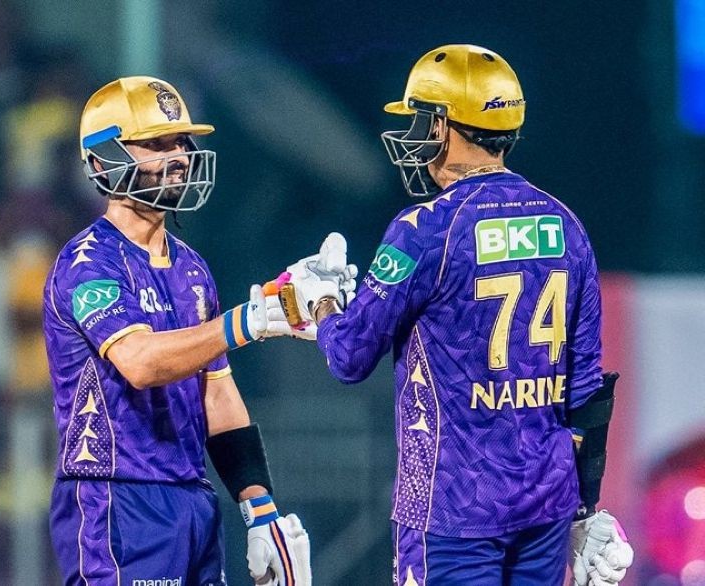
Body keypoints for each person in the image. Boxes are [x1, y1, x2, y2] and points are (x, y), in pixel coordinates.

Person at [280, 45, 634, 585]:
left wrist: (322, 302)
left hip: (451, 510)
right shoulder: (566, 224)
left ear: (443, 125)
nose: (414, 133)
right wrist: (585, 508)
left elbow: (349, 355)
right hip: (547, 508)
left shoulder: (425, 229)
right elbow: (586, 390)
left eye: (421, 118)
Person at [43, 76, 313, 586]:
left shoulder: (192, 267)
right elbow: (141, 363)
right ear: (103, 160)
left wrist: (260, 510)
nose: (180, 156)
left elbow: (217, 393)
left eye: (182, 142)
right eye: (158, 144)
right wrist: (247, 321)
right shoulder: (88, 263)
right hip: (116, 499)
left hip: (192, 500)